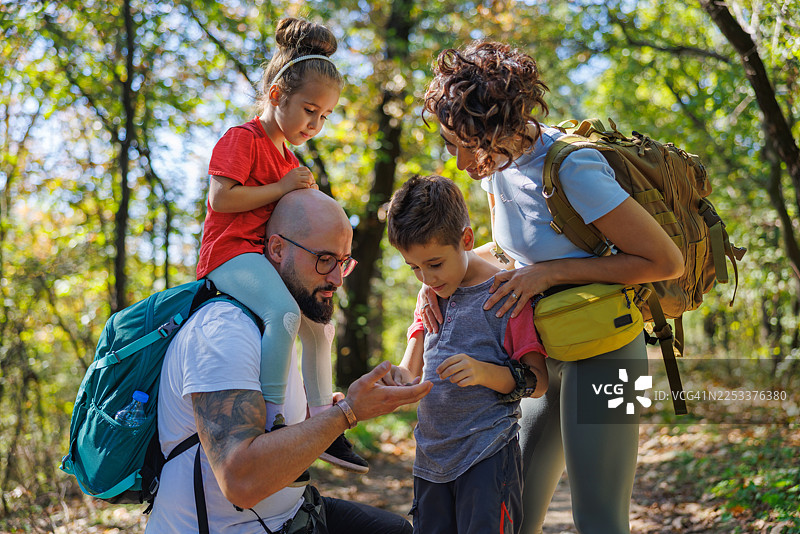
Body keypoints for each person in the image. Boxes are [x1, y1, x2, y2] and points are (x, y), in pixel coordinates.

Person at [420, 41, 685, 534]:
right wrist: (437, 279)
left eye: (460, 144)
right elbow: (515, 256)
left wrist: (552, 274)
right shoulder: (495, 169)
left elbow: (664, 261)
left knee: (600, 518)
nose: (456, 161)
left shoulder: (573, 168)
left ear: (493, 131)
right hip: (544, 353)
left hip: (613, 350)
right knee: (513, 513)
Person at [147, 189, 432, 533]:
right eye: (324, 259)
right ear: (277, 249)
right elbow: (241, 482)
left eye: (343, 262)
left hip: (292, 516)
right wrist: (348, 414)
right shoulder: (224, 332)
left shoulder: (282, 329)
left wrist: (326, 414)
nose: (337, 278)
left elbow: (277, 433)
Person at [195, 17, 367, 472]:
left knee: (321, 325)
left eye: (325, 116)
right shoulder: (243, 139)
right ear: (276, 95)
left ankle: (321, 421)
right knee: (286, 314)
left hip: (265, 258)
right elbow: (221, 198)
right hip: (230, 253)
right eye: (310, 110)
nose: (316, 123)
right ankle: (274, 426)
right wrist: (284, 186)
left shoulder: (289, 157)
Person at [384, 175, 548, 534]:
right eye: (414, 268)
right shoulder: (429, 294)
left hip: (487, 456)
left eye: (434, 264)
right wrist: (396, 380)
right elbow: (411, 371)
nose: (426, 278)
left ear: (467, 240)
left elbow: (537, 381)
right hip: (430, 460)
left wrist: (485, 373)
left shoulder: (507, 294)